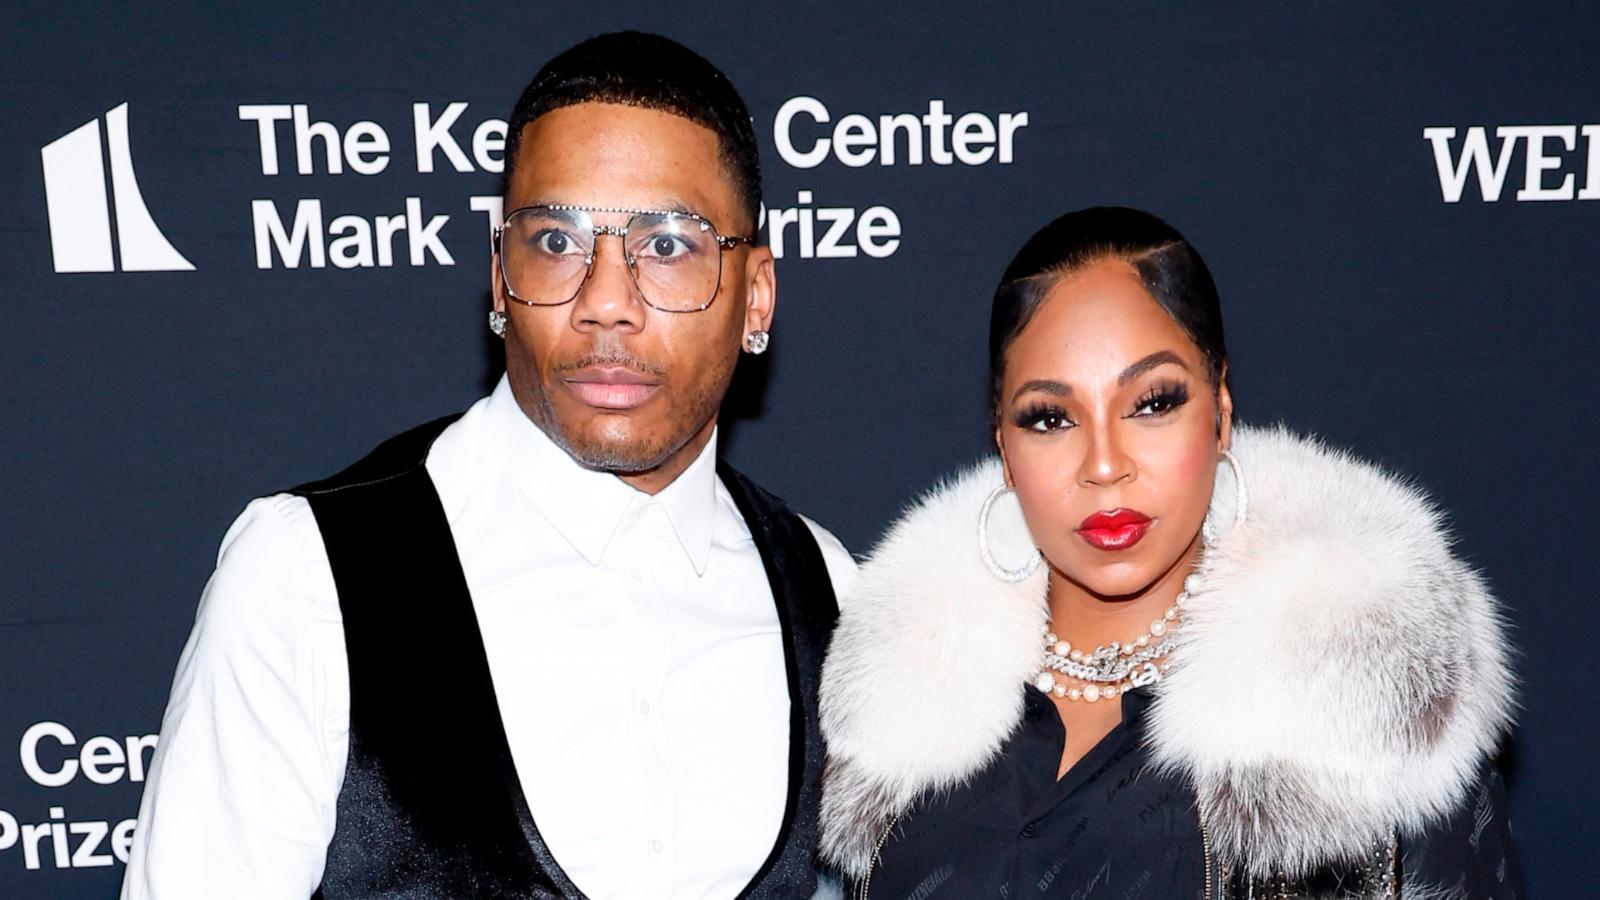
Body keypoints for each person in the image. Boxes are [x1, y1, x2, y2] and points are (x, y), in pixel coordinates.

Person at [121, 31, 855, 900]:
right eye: (555, 241)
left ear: (756, 294)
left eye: (667, 245)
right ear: (500, 278)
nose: (606, 304)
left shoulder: (827, 589)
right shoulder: (310, 575)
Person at [817, 207, 1519, 898]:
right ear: (1003, 444)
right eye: (1051, 418)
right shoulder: (903, 740)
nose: (1103, 464)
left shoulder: (1358, 722)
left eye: (1152, 403)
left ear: (1220, 410)